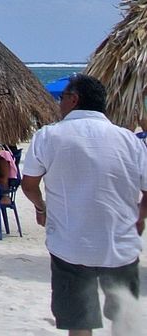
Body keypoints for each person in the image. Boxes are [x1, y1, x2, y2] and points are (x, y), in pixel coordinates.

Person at [22, 73, 147, 335]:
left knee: (79, 322)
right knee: (124, 320)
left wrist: (41, 207)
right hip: (120, 244)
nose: (59, 103)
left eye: (62, 97)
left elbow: (29, 185)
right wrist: (140, 216)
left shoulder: (49, 136)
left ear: (74, 99)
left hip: (71, 245)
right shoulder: (129, 141)